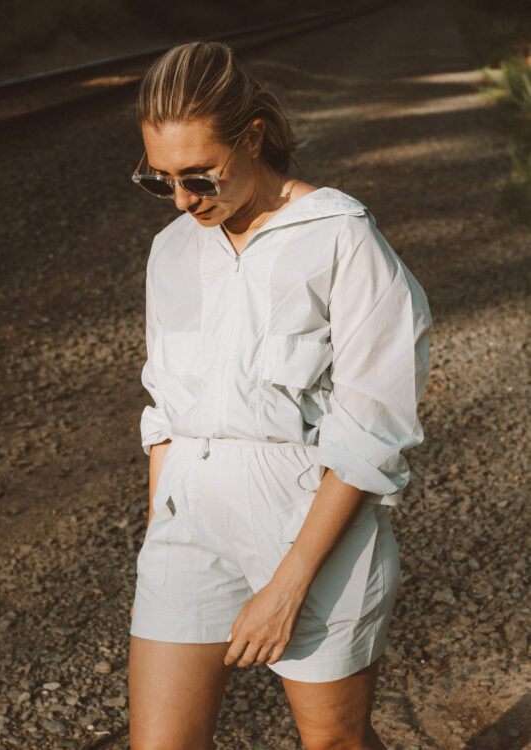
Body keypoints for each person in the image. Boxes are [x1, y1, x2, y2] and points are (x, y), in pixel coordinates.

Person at [127, 40, 432, 750]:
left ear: (253, 138)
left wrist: (287, 585)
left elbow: (371, 430)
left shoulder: (340, 238)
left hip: (308, 530)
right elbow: (163, 410)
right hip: (187, 524)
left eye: (199, 175)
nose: (181, 200)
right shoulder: (171, 250)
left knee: (332, 743)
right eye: (160, 179)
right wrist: (159, 537)